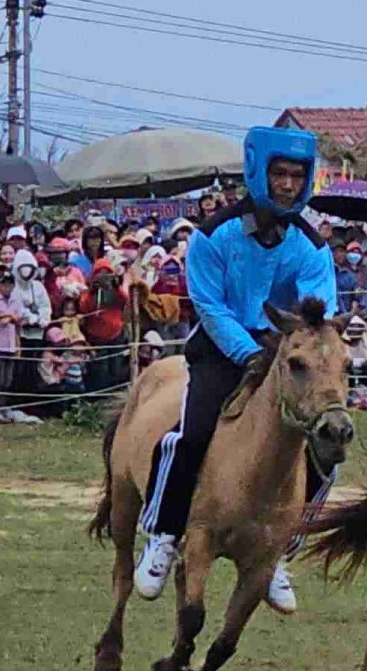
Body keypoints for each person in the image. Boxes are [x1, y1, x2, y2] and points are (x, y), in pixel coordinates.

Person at [134, 126, 339, 611]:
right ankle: (163, 534)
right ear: (257, 173)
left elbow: (319, 307)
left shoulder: (312, 245)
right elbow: (208, 304)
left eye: (297, 175)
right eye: (280, 173)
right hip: (222, 353)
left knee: (324, 449)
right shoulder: (213, 235)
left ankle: (281, 551)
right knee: (190, 433)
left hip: (286, 355)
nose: (289, 184)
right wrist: (248, 353)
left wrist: (292, 347)